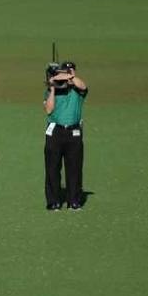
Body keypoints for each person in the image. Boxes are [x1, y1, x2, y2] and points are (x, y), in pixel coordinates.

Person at [44, 62, 88, 210]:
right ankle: (53, 201)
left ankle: (73, 201)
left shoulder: (78, 90)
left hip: (73, 133)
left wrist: (69, 76)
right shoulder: (53, 90)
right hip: (55, 132)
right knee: (52, 168)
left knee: (74, 168)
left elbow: (82, 85)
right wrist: (52, 88)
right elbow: (49, 110)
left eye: (71, 71)